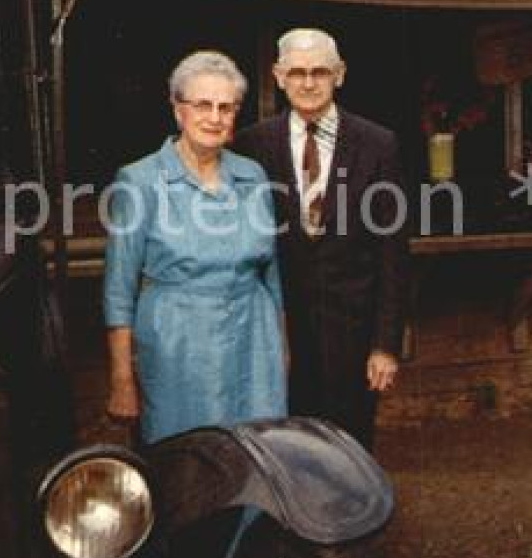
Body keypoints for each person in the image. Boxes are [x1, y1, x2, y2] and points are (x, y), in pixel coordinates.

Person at [233, 27, 408, 450]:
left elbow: (392, 252)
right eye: (296, 72)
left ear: (340, 74)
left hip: (353, 327)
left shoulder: (377, 143)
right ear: (277, 76)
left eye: (319, 72)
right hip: (281, 327)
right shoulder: (253, 144)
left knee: (350, 442)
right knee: (287, 440)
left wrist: (385, 345)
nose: (308, 83)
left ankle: (355, 514)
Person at [102, 50, 286, 443]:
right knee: (185, 455)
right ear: (177, 109)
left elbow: (272, 273)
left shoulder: (252, 175)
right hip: (177, 343)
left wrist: (282, 348)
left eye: (227, 107)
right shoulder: (139, 181)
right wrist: (122, 380)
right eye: (203, 104)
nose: (215, 117)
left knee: (258, 449)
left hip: (254, 339)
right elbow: (119, 290)